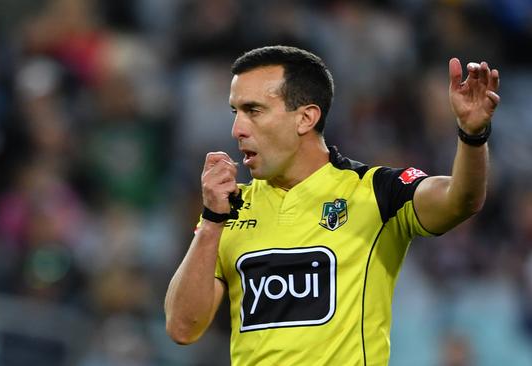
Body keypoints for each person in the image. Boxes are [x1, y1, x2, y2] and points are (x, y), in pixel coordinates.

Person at [164, 45, 500, 365]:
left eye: (253, 110)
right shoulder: (230, 209)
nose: (237, 129)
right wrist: (210, 221)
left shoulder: (376, 192)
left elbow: (462, 199)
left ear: (306, 118)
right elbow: (182, 328)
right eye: (235, 112)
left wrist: (472, 136)